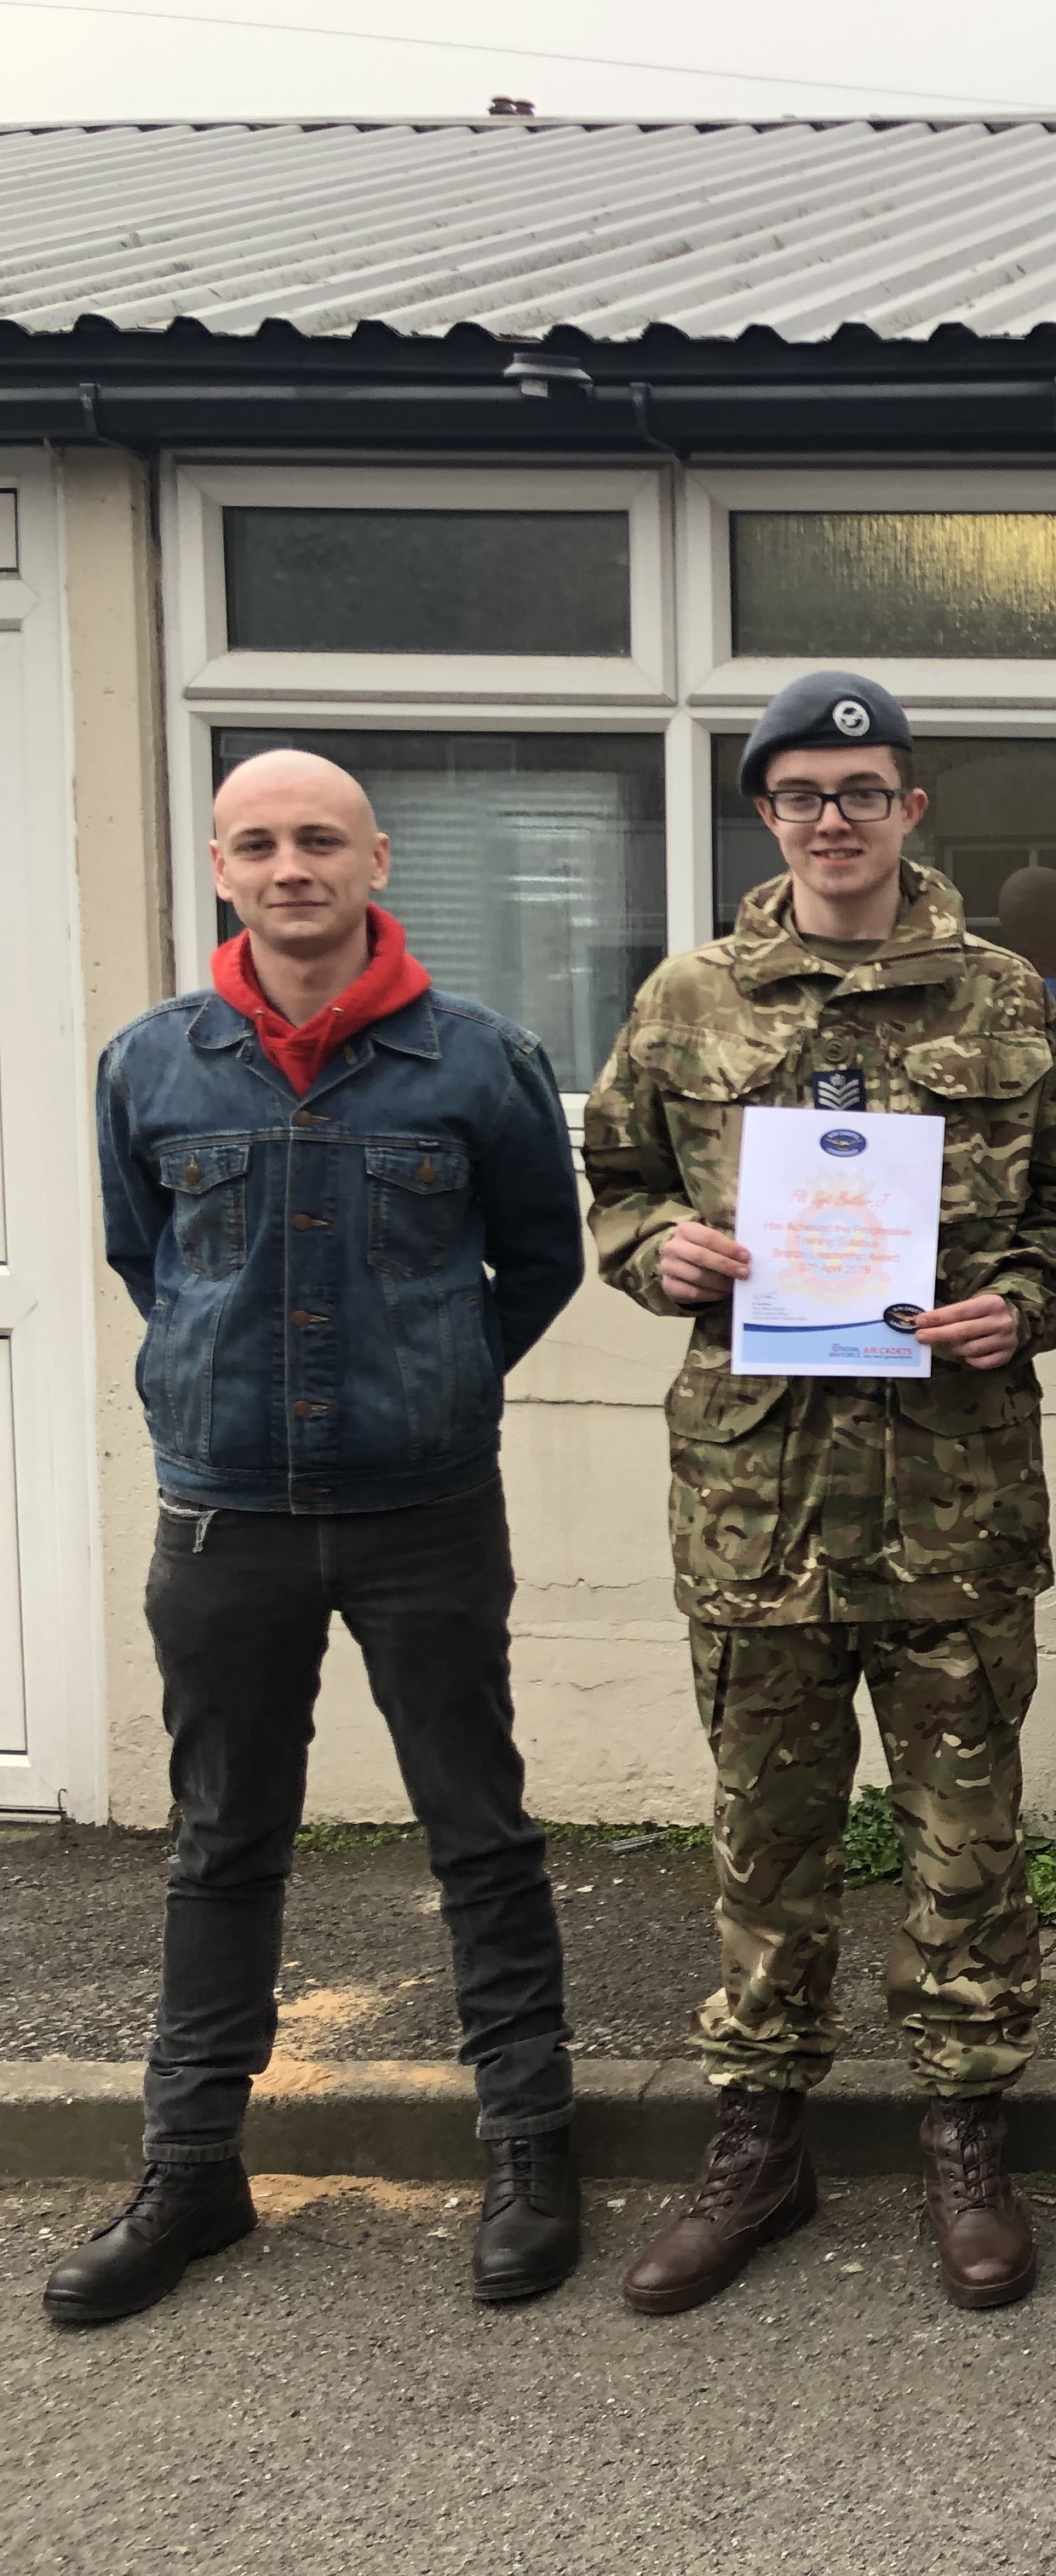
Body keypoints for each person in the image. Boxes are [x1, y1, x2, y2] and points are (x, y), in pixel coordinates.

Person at [584, 670, 1056, 2316]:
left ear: (911, 809)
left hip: (951, 1494)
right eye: (805, 793)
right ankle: (760, 2140)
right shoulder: (689, 1001)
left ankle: (966, 2132)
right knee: (767, 1833)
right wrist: (657, 1252)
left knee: (968, 1833)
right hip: (759, 1500)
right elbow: (614, 1186)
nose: (834, 818)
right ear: (767, 813)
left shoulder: (1006, 1000)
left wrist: (1019, 1304)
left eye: (863, 790)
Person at [59, 748, 587, 2324]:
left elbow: (539, 1262)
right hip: (223, 1516)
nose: (290, 867)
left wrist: (433, 1380)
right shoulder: (154, 1064)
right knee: (222, 1840)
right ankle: (191, 2168)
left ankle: (530, 2148)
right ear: (222, 869)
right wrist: (221, 1384)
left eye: (319, 841)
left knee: (478, 1830)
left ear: (375, 861)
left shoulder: (478, 1063)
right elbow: (148, 1259)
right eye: (258, 844)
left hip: (426, 1513)